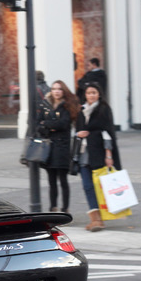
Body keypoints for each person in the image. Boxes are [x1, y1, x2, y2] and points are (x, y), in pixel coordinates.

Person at [75, 81, 121, 232]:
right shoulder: (81, 111)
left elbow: (108, 133)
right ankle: (95, 218)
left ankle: (102, 218)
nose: (91, 96)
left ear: (99, 94)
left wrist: (109, 154)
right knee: (87, 186)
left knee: (101, 186)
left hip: (99, 153)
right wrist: (78, 134)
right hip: (83, 154)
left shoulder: (104, 109)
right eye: (89, 93)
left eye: (94, 93)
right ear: (85, 95)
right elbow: (78, 130)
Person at [36, 80, 81, 213]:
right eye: (54, 89)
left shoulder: (67, 106)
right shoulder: (45, 105)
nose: (56, 91)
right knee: (51, 181)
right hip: (48, 148)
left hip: (62, 148)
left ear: (63, 91)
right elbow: (38, 124)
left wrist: (47, 124)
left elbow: (63, 124)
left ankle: (65, 208)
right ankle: (53, 207)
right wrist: (48, 126)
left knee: (63, 180)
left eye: (59, 89)